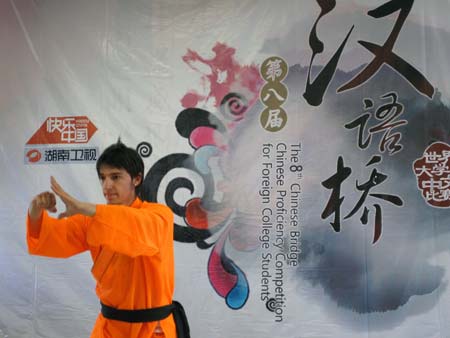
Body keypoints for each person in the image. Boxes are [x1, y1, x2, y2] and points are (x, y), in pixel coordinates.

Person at [26, 141, 178, 338]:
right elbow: (53, 238)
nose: (107, 186)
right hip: (109, 329)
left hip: (152, 329)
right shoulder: (94, 219)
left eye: (115, 177)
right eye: (103, 178)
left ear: (137, 179)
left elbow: (138, 229)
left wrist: (87, 208)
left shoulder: (159, 215)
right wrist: (35, 211)